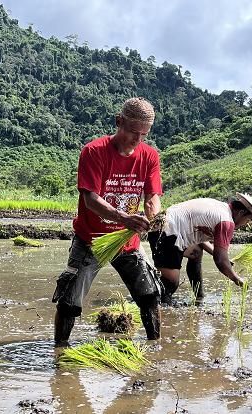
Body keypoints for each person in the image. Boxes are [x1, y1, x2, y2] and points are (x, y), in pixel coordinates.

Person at [52, 97, 163, 347]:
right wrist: (125, 218)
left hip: (127, 243)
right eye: (133, 132)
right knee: (70, 300)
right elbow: (90, 199)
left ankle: (156, 347)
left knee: (149, 296)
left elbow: (153, 196)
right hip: (91, 239)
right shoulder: (94, 152)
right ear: (118, 121)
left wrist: (153, 213)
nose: (137, 139)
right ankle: (59, 352)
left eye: (144, 134)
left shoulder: (149, 157)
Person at [147, 194, 252, 304]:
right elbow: (220, 260)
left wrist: (217, 254)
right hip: (167, 232)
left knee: (196, 252)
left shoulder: (219, 208)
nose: (246, 224)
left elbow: (200, 240)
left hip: (167, 227)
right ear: (241, 212)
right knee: (170, 284)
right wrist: (238, 279)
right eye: (248, 220)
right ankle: (150, 303)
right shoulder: (226, 221)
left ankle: (199, 296)